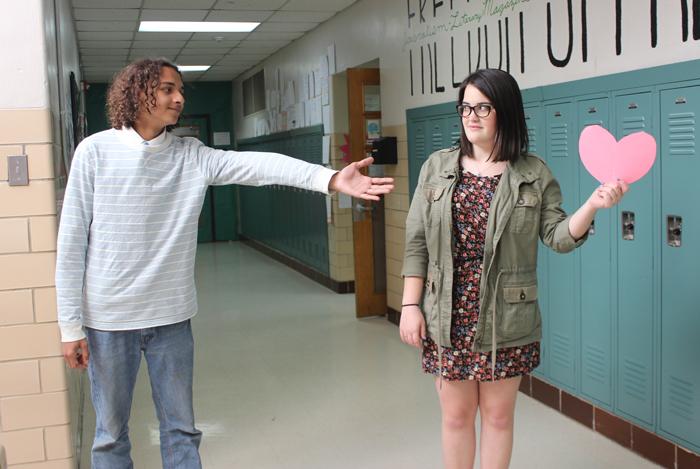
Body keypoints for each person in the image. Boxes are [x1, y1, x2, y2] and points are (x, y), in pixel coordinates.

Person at [56, 57, 393, 469]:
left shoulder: (191, 155)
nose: (178, 98)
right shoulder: (95, 152)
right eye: (166, 89)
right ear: (136, 93)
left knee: (181, 430)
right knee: (110, 436)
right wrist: (70, 326)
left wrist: (328, 178)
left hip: (171, 318)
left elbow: (260, 165)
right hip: (108, 320)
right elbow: (71, 242)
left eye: (180, 90)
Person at [399, 68, 627, 469]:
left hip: (507, 317)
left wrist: (592, 205)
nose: (471, 116)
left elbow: (558, 236)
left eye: (482, 107)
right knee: (455, 417)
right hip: (448, 313)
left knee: (499, 418)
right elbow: (417, 241)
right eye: (465, 106)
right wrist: (409, 306)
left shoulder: (532, 173)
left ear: (504, 111)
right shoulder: (436, 168)